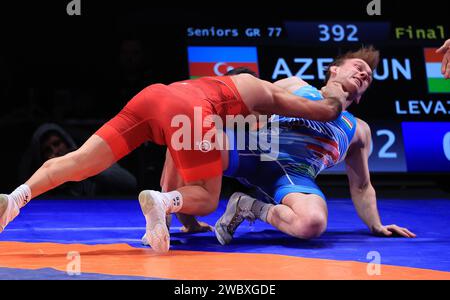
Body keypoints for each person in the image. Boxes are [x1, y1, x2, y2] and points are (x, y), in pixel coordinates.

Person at [0, 71, 348, 253]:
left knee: (80, 161)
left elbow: (174, 162)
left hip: (153, 98)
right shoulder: (262, 92)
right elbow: (323, 110)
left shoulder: (223, 86)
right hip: (189, 112)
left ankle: (15, 199)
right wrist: (337, 96)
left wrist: (169, 218)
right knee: (208, 198)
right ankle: (163, 204)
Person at [157, 46, 416, 247]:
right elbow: (246, 108)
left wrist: (376, 225)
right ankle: (167, 218)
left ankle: (247, 206)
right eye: (358, 67)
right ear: (333, 70)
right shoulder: (295, 85)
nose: (363, 74)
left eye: (368, 78)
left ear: (360, 97)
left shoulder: (358, 129)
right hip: (255, 151)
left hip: (294, 178)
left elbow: (361, 185)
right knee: (187, 134)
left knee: (312, 224)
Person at [18, 123, 137, 197]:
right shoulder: (42, 178)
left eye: (57, 143)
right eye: (48, 150)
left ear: (65, 141)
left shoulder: (91, 157)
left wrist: (84, 166)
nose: (55, 151)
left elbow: (130, 182)